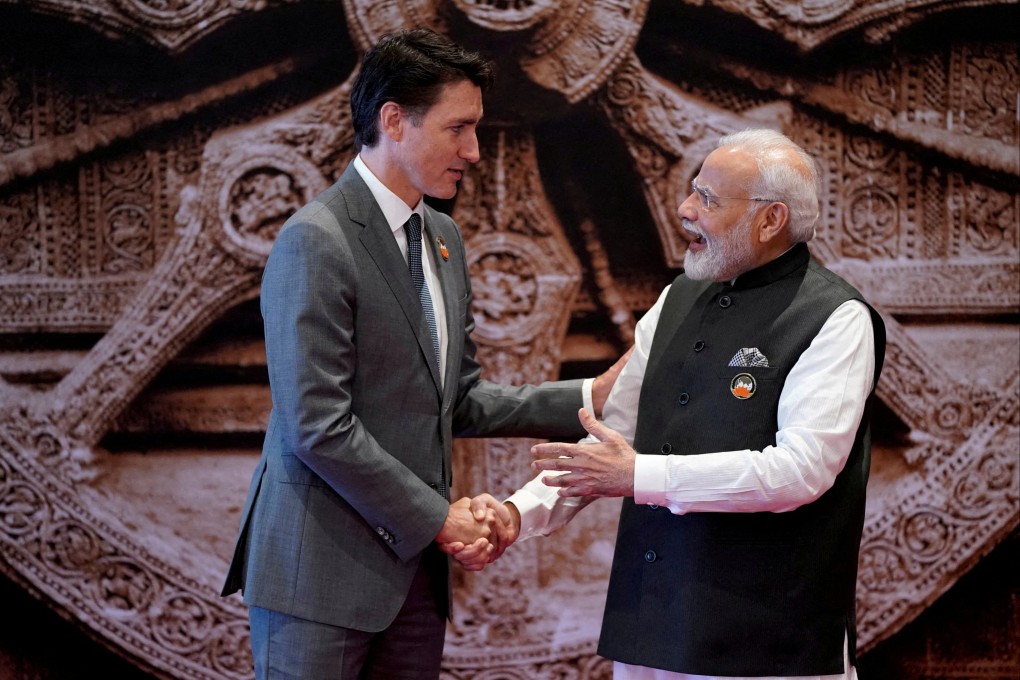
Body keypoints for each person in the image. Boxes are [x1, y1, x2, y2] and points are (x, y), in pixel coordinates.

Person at [221, 28, 618, 679]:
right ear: (393, 120)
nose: (475, 152)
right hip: (318, 579)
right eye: (459, 129)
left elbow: (456, 398)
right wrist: (441, 519)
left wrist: (588, 396)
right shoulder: (315, 240)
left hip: (413, 583)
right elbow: (316, 423)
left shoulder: (442, 238)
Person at [492, 129, 887, 679]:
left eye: (708, 199)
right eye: (692, 191)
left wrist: (641, 476)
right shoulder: (675, 298)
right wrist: (516, 515)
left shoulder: (835, 317)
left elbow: (801, 471)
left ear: (771, 220)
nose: (684, 210)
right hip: (650, 629)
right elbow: (611, 445)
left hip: (765, 644)